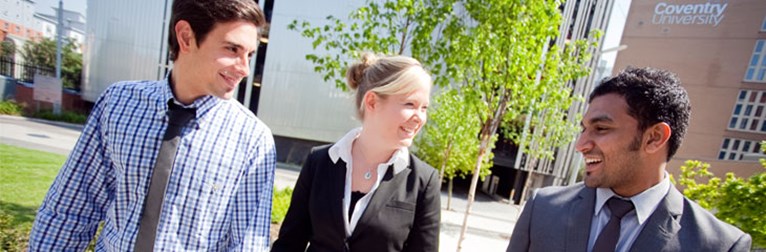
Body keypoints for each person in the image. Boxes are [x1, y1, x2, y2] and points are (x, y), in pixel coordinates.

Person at [28, 0, 276, 250]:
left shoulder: (253, 139)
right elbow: (70, 210)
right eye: (232, 49)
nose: (244, 68)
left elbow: (248, 245)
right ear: (186, 37)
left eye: (250, 54)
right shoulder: (117, 104)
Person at [506, 67, 752, 252]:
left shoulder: (720, 245)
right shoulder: (543, 209)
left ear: (654, 137)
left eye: (601, 128)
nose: (581, 145)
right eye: (583, 129)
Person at [272, 53, 441, 252]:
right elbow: (288, 244)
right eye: (410, 104)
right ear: (372, 102)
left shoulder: (423, 181)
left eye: (424, 108)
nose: (419, 117)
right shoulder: (319, 162)